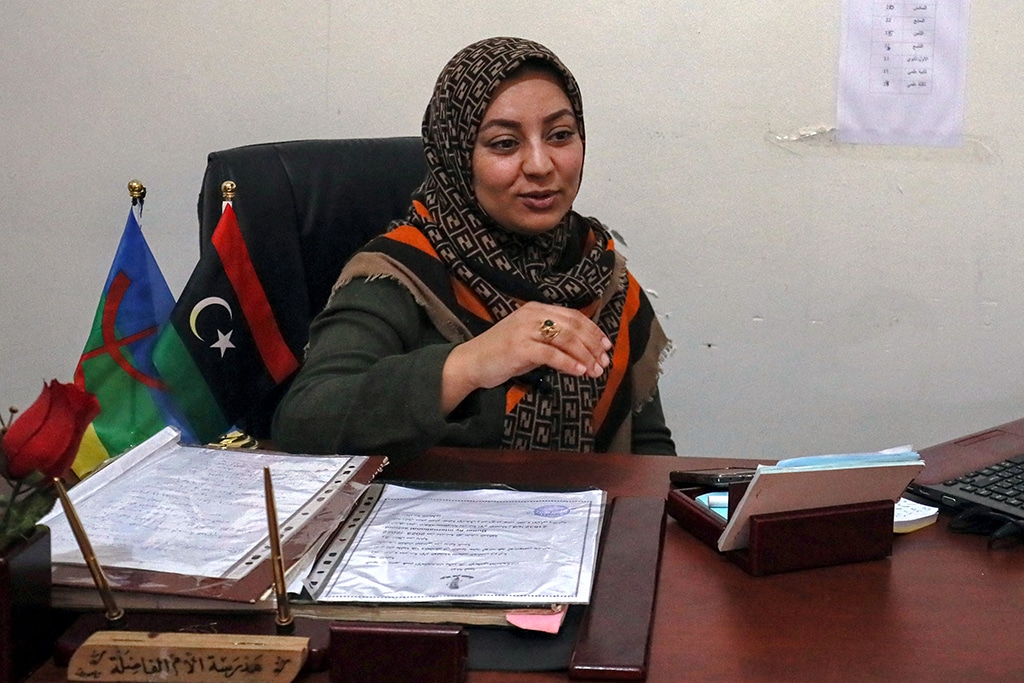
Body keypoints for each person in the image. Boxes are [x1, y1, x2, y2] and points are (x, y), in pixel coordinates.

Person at [272, 36, 675, 461]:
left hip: (582, 520)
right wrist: (469, 364)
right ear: (457, 152)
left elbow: (648, 448)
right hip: (429, 523)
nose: (540, 165)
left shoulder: (597, 268)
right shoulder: (401, 272)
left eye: (560, 135)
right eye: (504, 143)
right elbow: (304, 421)